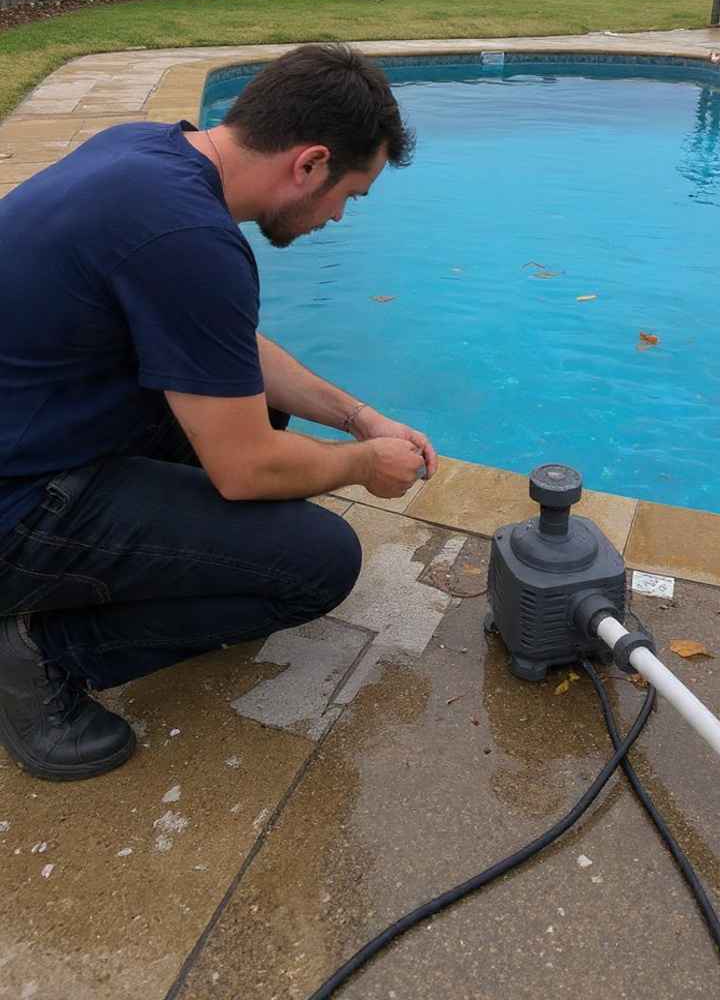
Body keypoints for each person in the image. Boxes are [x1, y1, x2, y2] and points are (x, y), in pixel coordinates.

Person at [0, 43, 437, 782]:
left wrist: (358, 417)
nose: (336, 217)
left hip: (34, 430)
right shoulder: (190, 240)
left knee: (260, 414)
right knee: (319, 564)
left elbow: (223, 345)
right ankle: (39, 648)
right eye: (347, 196)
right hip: (15, 504)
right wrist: (364, 466)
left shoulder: (147, 154)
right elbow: (244, 472)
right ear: (309, 163)